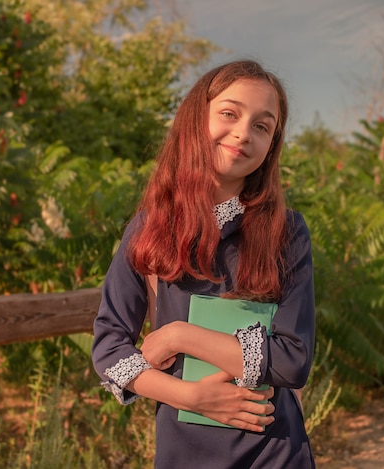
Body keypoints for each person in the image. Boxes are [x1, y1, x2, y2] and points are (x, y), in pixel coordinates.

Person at [92, 60, 316, 468]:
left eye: (263, 126)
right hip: (184, 452)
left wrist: (180, 336)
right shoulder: (150, 226)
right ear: (197, 118)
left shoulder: (287, 232)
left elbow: (293, 360)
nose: (243, 133)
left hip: (275, 451)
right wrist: (189, 396)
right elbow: (108, 347)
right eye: (230, 113)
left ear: (272, 146)